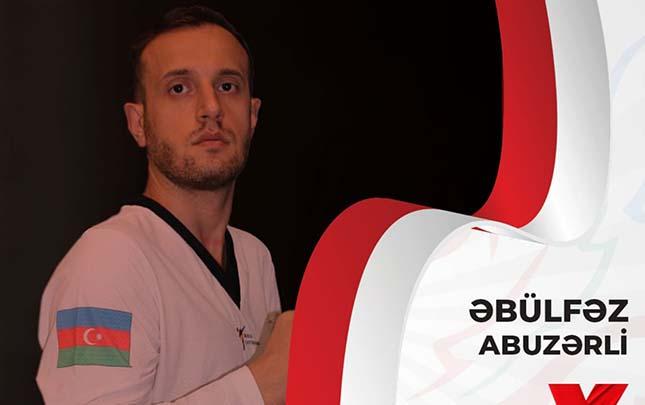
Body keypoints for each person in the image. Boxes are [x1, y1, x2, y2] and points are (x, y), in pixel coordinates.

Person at [36, 5, 292, 404]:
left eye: (228, 86)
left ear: (252, 114)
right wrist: (260, 385)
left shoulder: (254, 258)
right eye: (179, 88)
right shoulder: (107, 261)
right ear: (139, 123)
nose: (211, 107)